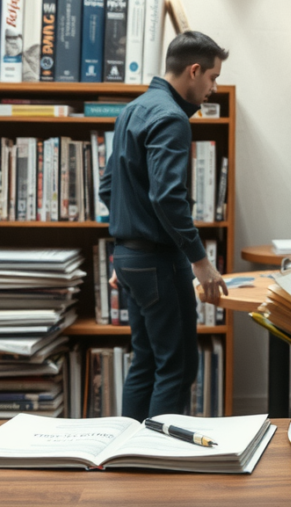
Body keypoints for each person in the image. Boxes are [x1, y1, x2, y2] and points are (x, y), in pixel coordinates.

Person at [98, 31, 229, 420]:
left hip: (132, 261)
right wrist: (200, 260)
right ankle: (156, 468)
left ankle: (127, 456)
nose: (214, 88)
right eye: (212, 78)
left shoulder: (133, 109)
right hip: (158, 262)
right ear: (193, 71)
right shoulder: (171, 117)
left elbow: (108, 186)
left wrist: (127, 250)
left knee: (146, 362)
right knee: (177, 367)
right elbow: (167, 197)